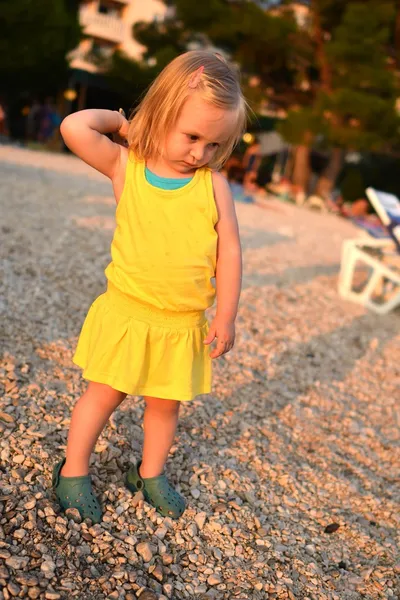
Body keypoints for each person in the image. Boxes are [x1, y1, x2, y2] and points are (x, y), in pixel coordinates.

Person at [52, 51, 247, 523]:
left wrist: (226, 314)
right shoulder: (127, 166)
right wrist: (125, 126)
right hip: (130, 313)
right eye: (192, 136)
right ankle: (73, 470)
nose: (199, 153)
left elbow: (230, 251)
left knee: (165, 406)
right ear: (160, 114)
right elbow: (74, 127)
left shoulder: (212, 185)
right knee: (103, 395)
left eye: (214, 144)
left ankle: (150, 472)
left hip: (181, 322)